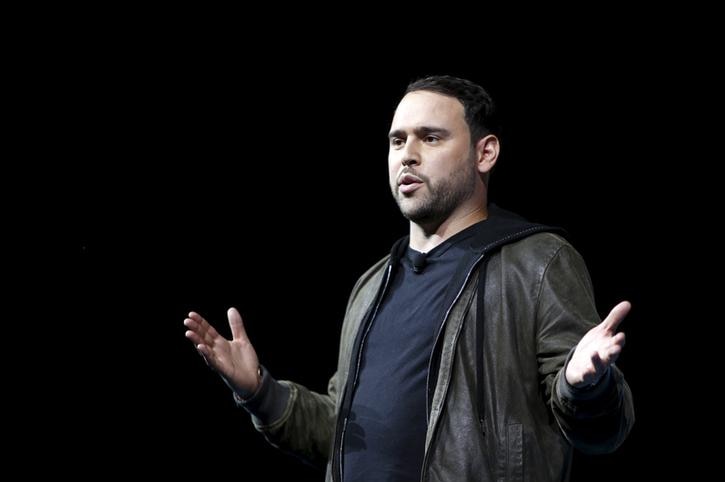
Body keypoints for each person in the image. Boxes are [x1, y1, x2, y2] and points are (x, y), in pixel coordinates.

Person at [183, 75, 635, 481]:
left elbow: (602, 432)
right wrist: (260, 390)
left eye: (430, 138)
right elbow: (341, 434)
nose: (407, 156)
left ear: (486, 152)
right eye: (397, 141)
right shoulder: (372, 286)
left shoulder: (537, 262)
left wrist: (586, 387)